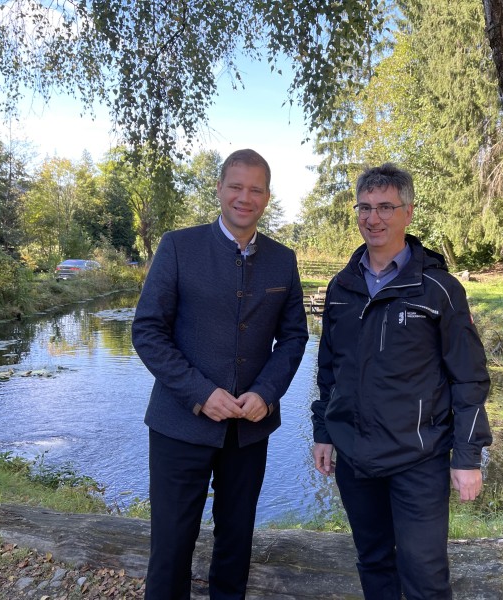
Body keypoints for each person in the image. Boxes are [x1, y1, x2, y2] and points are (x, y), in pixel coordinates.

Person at [132, 148, 309, 600]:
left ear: (267, 197)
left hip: (249, 429)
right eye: (236, 186)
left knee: (236, 543)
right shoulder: (178, 246)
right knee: (171, 546)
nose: (244, 197)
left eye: (256, 189)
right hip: (179, 424)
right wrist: (200, 393)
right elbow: (147, 331)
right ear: (219, 189)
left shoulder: (283, 260)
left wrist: (266, 393)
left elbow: (294, 338)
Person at [311, 163, 492, 600]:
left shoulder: (438, 289)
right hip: (355, 456)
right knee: (373, 561)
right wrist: (323, 432)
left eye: (385, 207)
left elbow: (469, 378)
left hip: (419, 457)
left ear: (408, 213)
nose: (373, 218)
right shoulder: (341, 287)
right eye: (365, 207)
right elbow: (329, 370)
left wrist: (467, 457)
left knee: (424, 574)